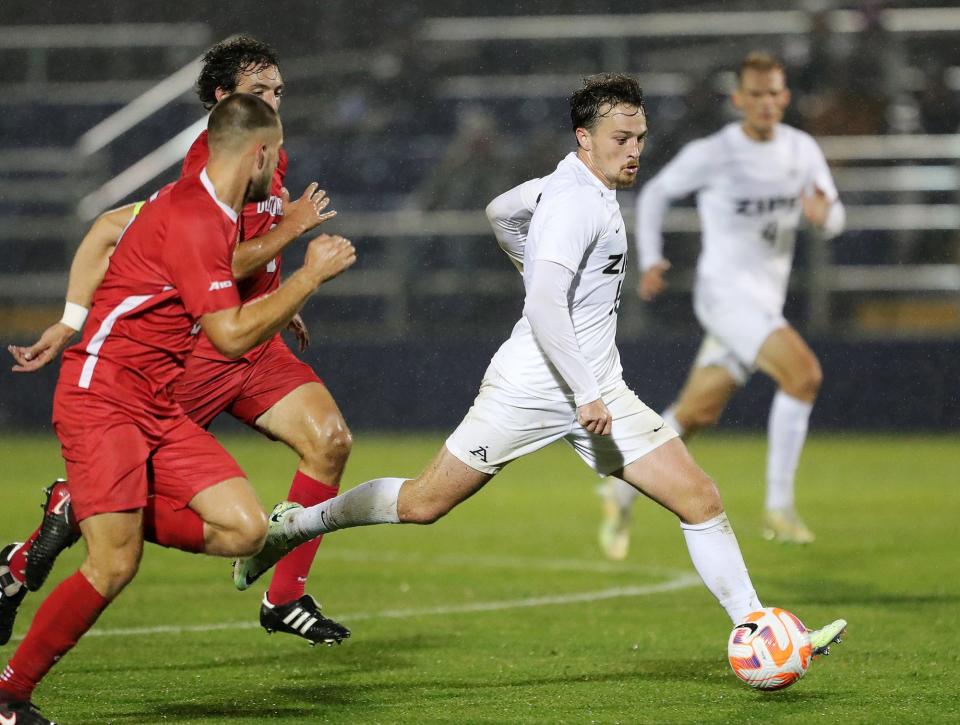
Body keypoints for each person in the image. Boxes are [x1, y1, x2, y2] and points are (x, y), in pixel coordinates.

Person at [226, 74, 846, 664]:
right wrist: (581, 384)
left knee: (699, 497)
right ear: (585, 139)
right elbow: (544, 303)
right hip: (535, 388)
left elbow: (500, 209)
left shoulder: (566, 184)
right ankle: (296, 525)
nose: (634, 152)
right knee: (422, 503)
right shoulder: (578, 204)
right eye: (621, 140)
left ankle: (758, 628)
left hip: (595, 388)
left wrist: (534, 268)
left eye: (640, 138)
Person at [0, 93, 356, 725]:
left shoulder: (217, 210)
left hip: (155, 403)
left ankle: (92, 505)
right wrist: (308, 276)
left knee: (245, 530)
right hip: (103, 397)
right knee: (115, 565)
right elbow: (227, 334)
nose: (275, 171)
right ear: (258, 152)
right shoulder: (196, 216)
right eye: (271, 155)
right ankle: (9, 696)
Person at [598, 52, 846, 561]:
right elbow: (657, 193)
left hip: (763, 303)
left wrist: (825, 217)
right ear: (739, 100)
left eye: (774, 92)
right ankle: (779, 506)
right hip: (723, 295)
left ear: (785, 97)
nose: (766, 102)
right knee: (804, 375)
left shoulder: (801, 150)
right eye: (755, 94)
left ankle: (620, 487)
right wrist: (654, 257)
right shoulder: (717, 152)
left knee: (695, 413)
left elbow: (834, 211)